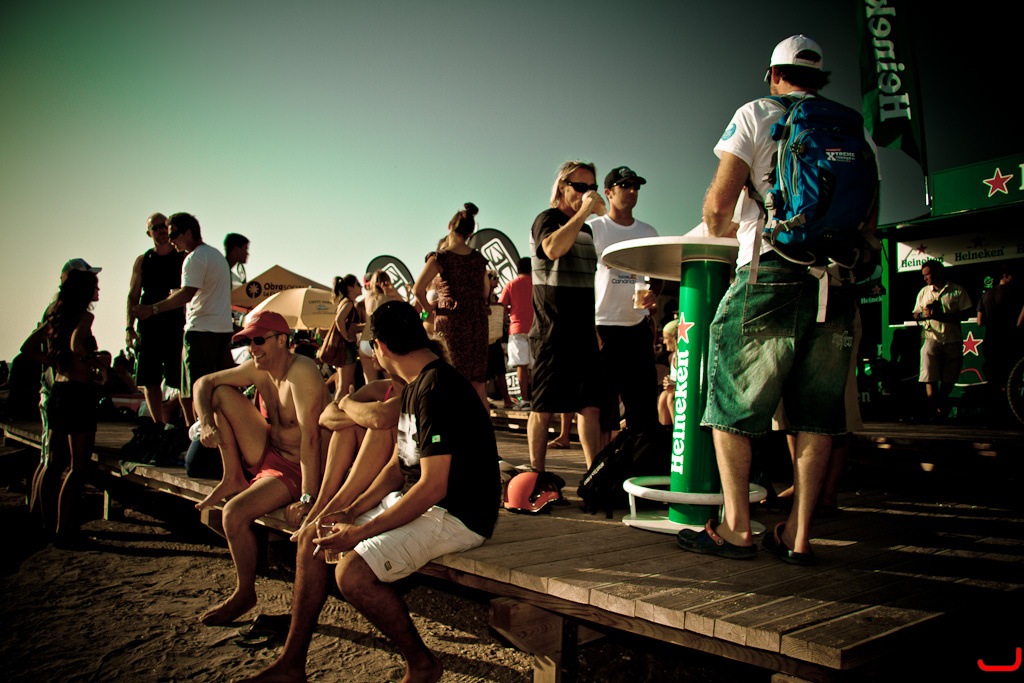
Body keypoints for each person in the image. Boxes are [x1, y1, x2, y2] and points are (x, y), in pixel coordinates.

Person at [677, 35, 876, 566]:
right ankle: (799, 535)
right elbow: (868, 220)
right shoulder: (852, 125)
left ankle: (737, 527)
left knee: (732, 402)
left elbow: (718, 210)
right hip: (837, 282)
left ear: (773, 74)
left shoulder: (756, 113)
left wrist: (731, 219)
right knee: (817, 413)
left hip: (770, 270)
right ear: (820, 79)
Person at [239, 301, 499, 683]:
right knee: (315, 535)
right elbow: (398, 468)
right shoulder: (416, 384)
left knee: (353, 575)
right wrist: (349, 510)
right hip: (431, 504)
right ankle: (292, 663)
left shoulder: (436, 388)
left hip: (458, 515)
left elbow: (433, 486)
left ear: (381, 346)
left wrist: (360, 532)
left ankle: (423, 665)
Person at [191, 311, 327, 626]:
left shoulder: (302, 372)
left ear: (282, 340)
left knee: (233, 513)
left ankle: (244, 593)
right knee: (219, 393)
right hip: (268, 452)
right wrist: (207, 423)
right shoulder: (258, 369)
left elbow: (311, 439)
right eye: (248, 342)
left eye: (258, 340)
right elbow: (203, 383)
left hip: (298, 467)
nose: (252, 348)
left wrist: (309, 499)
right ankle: (232, 477)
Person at [528, 160, 605, 471]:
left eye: (592, 188)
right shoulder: (547, 219)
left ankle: (593, 476)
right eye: (580, 186)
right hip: (551, 330)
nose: (587, 193)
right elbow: (551, 248)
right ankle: (536, 474)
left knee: (590, 408)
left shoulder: (587, 230)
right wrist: (585, 211)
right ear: (562, 187)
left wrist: (594, 328)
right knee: (543, 408)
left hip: (583, 331)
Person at [21, 268, 102, 544]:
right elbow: (78, 345)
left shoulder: (55, 317)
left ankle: (45, 527)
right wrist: (97, 363)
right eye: (95, 286)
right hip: (79, 393)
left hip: (58, 390)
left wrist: (54, 362)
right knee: (78, 468)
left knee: (53, 464)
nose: (99, 291)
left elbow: (27, 348)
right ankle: (65, 531)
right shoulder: (85, 316)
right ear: (84, 291)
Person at [132, 212, 234, 421]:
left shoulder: (193, 258)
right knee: (217, 389)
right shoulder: (216, 255)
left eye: (173, 234)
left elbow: (187, 294)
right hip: (222, 330)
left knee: (196, 392)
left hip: (200, 332)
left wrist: (151, 309)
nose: (170, 240)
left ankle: (199, 433)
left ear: (188, 233)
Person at [588, 166, 660, 437]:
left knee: (643, 410)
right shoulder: (594, 229)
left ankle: (638, 461)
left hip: (637, 328)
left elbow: (657, 274)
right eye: (625, 185)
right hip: (603, 327)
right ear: (608, 193)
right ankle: (602, 462)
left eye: (636, 186)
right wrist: (590, 327)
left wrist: (653, 293)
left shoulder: (648, 231)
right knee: (602, 410)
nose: (632, 190)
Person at [414, 202, 490, 406]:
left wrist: (429, 308)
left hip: (452, 322)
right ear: (470, 233)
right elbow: (485, 292)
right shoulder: (479, 259)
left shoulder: (440, 258)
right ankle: (484, 426)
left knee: (452, 382)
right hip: (477, 322)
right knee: (478, 386)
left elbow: (418, 289)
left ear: (450, 226)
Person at [126, 212, 186, 434]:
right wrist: (128, 327)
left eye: (164, 225)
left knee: (180, 379)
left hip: (175, 323)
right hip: (148, 324)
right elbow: (133, 295)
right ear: (149, 233)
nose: (161, 229)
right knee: (149, 379)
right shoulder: (144, 261)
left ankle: (183, 423)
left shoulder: (183, 257)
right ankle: (158, 425)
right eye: (156, 226)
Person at [912, 259, 973, 422]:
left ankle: (939, 402)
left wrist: (944, 316)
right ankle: (933, 411)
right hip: (930, 337)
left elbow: (967, 313)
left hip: (952, 338)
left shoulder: (957, 290)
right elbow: (915, 313)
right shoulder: (924, 292)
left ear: (938, 272)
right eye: (923, 275)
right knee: (929, 375)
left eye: (927, 274)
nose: (925, 278)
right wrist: (923, 315)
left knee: (950, 377)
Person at [976, 264, 1023, 405]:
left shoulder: (986, 294)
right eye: (1012, 275)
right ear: (1005, 276)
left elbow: (979, 321)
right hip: (1010, 340)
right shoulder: (1016, 292)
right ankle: (1011, 408)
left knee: (994, 378)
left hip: (991, 341)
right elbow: (1020, 320)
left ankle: (995, 407)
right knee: (1011, 378)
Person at [499, 257, 534, 410]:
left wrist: (510, 311)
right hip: (535, 329)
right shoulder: (536, 284)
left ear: (517, 269)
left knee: (521, 366)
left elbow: (501, 306)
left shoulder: (511, 284)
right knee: (536, 366)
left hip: (517, 329)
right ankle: (538, 399)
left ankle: (525, 401)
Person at [357, 270, 401, 383]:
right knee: (391, 382)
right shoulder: (389, 298)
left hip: (364, 342)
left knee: (370, 383)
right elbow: (408, 311)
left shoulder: (368, 296)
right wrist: (396, 293)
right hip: (380, 342)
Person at [328, 274, 363, 399]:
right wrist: (346, 337)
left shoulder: (345, 302)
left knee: (348, 385)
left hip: (345, 348)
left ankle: (342, 407)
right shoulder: (348, 303)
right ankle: (335, 408)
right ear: (350, 287)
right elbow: (339, 319)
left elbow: (349, 326)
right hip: (346, 348)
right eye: (358, 284)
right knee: (344, 386)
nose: (361, 287)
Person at [224, 232, 250, 329]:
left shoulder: (225, 270)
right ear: (236, 250)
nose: (247, 253)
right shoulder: (222, 271)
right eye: (245, 249)